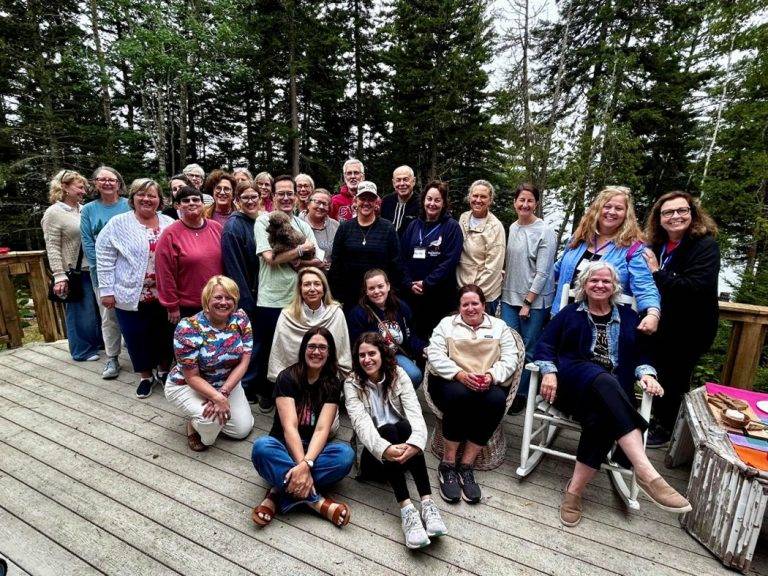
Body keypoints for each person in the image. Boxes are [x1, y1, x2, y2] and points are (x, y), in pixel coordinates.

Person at [534, 262, 691, 526]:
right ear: (584, 284)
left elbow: (643, 355)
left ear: (614, 287)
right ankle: (644, 469)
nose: (600, 285)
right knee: (603, 378)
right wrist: (549, 371)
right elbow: (545, 345)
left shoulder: (630, 318)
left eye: (606, 281)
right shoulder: (569, 313)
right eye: (594, 280)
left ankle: (573, 492)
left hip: (611, 396)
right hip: (574, 385)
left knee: (602, 420)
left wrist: (646, 374)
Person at [345, 332, 447, 549]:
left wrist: (414, 444)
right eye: (362, 355)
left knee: (405, 427)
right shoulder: (351, 384)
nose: (367, 359)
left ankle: (427, 504)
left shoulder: (399, 375)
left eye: (372, 353)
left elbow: (416, 415)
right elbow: (362, 427)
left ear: (382, 354)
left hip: (404, 452)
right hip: (373, 457)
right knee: (390, 430)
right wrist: (386, 449)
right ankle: (407, 510)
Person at [251, 327, 355, 527]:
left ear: (330, 352)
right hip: (283, 447)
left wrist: (306, 464)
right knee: (261, 447)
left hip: (314, 452)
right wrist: (303, 466)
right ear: (303, 349)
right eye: (312, 347)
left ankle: (276, 492)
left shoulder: (332, 383)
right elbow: (289, 427)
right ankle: (317, 502)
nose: (316, 352)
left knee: (345, 455)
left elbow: (322, 430)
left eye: (322, 348)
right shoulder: (287, 377)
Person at [426, 284, 520, 504]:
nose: (470, 308)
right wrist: (459, 374)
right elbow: (435, 354)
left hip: (486, 382)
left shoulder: (499, 327)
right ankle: (448, 464)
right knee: (460, 396)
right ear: (459, 307)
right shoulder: (446, 325)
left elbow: (511, 358)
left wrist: (491, 376)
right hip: (450, 381)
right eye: (465, 304)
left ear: (483, 305)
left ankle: (466, 466)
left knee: (497, 400)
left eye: (475, 303)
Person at [643, 191, 720, 447]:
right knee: (658, 371)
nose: (675, 216)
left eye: (681, 211)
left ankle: (665, 428)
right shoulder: (657, 244)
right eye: (668, 212)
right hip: (661, 323)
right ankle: (652, 417)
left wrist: (657, 272)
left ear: (692, 214)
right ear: (659, 218)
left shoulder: (704, 245)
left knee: (675, 376)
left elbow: (695, 287)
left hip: (691, 327)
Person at [95, 178, 175, 398]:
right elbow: (103, 257)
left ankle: (165, 371)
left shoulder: (169, 223)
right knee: (136, 336)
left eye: (152, 195)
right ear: (132, 198)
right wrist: (107, 291)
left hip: (164, 294)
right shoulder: (118, 223)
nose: (147, 199)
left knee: (164, 334)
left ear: (160, 200)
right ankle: (145, 376)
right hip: (129, 293)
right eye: (141, 194)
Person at [550, 187, 660, 337]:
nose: (612, 212)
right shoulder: (578, 240)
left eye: (619, 208)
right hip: (563, 318)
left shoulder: (632, 249)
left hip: (603, 326)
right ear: (597, 209)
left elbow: (644, 284)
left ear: (626, 214)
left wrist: (653, 313)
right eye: (607, 206)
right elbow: (554, 271)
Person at [165, 276, 254, 451]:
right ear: (207, 300)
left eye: (229, 298)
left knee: (242, 431)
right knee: (210, 423)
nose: (224, 302)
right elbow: (191, 377)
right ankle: (193, 425)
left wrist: (223, 392)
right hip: (187, 385)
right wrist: (217, 398)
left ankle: (210, 414)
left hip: (225, 383)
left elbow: (244, 362)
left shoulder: (241, 319)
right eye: (218, 297)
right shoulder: (188, 328)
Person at [253, 175, 318, 412]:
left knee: (296, 346)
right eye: (281, 193)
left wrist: (303, 258)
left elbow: (315, 258)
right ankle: (267, 391)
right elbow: (270, 259)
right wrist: (300, 250)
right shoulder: (264, 222)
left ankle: (292, 390)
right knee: (270, 346)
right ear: (272, 195)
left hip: (298, 296)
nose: (286, 197)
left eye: (290, 192)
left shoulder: (302, 224)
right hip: (271, 296)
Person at [501, 183, 557, 412]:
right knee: (508, 345)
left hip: (533, 301)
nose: (525, 205)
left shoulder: (545, 231)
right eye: (521, 200)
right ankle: (507, 387)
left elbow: (543, 272)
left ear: (536, 204)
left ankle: (521, 394)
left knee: (528, 347)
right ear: (515, 202)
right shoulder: (513, 227)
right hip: (509, 295)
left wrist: (528, 302)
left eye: (530, 201)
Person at [41, 169, 102, 362]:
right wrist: (59, 274)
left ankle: (98, 343)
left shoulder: (84, 210)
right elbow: (52, 246)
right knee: (80, 312)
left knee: (96, 311)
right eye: (79, 186)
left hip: (92, 267)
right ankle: (82, 350)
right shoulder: (54, 213)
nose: (84, 190)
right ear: (65, 187)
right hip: (73, 270)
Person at [81, 165, 131, 379]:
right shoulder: (89, 210)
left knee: (132, 312)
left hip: (130, 271)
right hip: (101, 272)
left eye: (112, 180)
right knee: (108, 315)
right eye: (102, 179)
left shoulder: (129, 205)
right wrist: (104, 268)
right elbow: (88, 242)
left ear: (119, 183)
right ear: (95, 183)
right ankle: (112, 358)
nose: (107, 183)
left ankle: (138, 352)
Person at [400, 180, 463, 340]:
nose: (432, 204)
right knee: (415, 339)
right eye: (429, 199)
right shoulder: (413, 225)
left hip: (439, 297)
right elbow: (402, 257)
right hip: (413, 295)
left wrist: (427, 283)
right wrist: (408, 282)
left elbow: (450, 261)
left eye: (437, 200)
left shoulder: (452, 227)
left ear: (444, 203)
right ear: (423, 200)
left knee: (438, 340)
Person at [268, 267, 352, 383]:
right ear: (300, 289)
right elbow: (280, 355)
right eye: (307, 284)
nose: (312, 289)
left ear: (324, 288)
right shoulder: (287, 315)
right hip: (295, 380)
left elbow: (342, 351)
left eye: (317, 284)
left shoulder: (336, 313)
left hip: (328, 380)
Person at [329, 181, 402, 311]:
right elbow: (336, 263)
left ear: (376, 202)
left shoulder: (387, 228)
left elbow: (396, 263)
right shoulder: (345, 228)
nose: (366, 203)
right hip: (350, 297)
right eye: (363, 198)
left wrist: (391, 293)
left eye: (371, 199)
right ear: (355, 201)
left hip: (379, 297)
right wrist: (337, 296)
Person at [347, 269, 426, 388]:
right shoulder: (358, 314)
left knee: (414, 375)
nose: (377, 291)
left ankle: (400, 400)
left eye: (380, 286)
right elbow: (356, 346)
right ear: (366, 291)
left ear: (388, 286)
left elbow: (411, 337)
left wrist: (424, 348)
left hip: (396, 356)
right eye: (371, 288)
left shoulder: (401, 307)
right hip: (372, 359)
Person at [155, 185, 223, 322]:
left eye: (195, 199)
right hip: (187, 308)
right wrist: (172, 306)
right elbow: (164, 273)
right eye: (185, 201)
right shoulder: (170, 234)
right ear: (177, 206)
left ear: (203, 204)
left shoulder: (217, 228)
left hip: (218, 303)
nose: (191, 203)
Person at [221, 180, 262, 400]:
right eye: (245, 197)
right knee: (249, 344)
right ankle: (244, 388)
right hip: (245, 295)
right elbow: (234, 267)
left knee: (258, 342)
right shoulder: (234, 226)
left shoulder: (257, 221)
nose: (250, 201)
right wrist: (244, 300)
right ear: (236, 201)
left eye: (253, 196)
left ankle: (253, 384)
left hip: (260, 292)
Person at [456, 180, 506, 315]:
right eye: (475, 196)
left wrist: (475, 295)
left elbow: (494, 267)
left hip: (485, 294)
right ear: (469, 197)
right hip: (462, 288)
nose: (478, 200)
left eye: (483, 197)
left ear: (490, 200)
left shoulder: (495, 227)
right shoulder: (463, 218)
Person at [299, 189, 338, 271]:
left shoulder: (336, 226)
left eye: (325, 204)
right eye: (317, 202)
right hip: (303, 277)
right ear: (308, 204)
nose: (321, 207)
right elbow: (291, 259)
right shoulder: (298, 224)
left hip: (329, 278)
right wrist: (314, 263)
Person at [381, 165, 420, 236]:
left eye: (405, 179)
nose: (402, 184)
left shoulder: (421, 204)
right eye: (398, 180)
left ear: (414, 181)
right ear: (393, 183)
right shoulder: (386, 201)